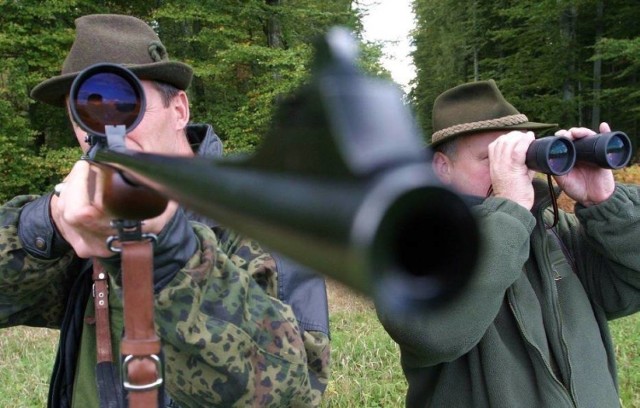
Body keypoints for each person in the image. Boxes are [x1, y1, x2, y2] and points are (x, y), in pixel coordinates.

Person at [0, 14, 330, 408]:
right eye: (84, 110)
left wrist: (172, 254)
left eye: (124, 104)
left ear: (179, 110)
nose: (103, 130)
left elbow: (294, 391)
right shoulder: (83, 221)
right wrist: (45, 226)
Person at [376, 79, 640, 407]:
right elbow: (433, 335)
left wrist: (606, 203)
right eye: (491, 158)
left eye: (517, 155)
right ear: (442, 167)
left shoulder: (556, 232)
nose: (511, 169)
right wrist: (510, 211)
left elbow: (630, 288)